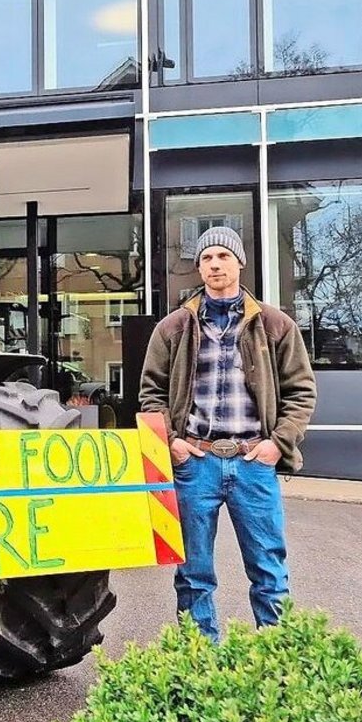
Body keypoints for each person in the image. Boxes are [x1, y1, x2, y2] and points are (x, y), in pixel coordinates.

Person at [138, 226, 316, 640]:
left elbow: (301, 390)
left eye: (223, 256)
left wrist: (279, 444)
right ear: (198, 268)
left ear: (239, 262)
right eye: (206, 258)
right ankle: (201, 654)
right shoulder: (173, 327)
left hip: (254, 462)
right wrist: (173, 445)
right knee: (193, 571)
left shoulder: (274, 324)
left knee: (269, 568)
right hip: (194, 464)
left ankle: (277, 655)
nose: (215, 265)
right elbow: (150, 394)